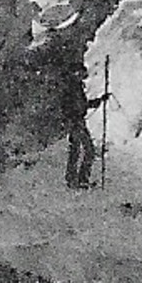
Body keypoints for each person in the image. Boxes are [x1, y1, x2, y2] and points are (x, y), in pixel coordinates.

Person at [61, 58, 109, 189]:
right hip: (75, 121)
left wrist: (97, 101)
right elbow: (74, 106)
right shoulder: (71, 89)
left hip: (76, 121)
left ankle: (74, 179)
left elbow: (81, 105)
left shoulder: (74, 87)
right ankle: (80, 179)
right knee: (88, 150)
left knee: (76, 150)